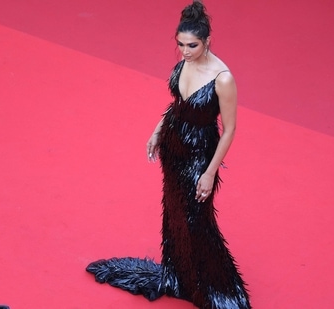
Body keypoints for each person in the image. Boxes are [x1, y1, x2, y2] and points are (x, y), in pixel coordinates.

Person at [86, 1, 252, 308]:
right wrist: (157, 131)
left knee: (197, 222)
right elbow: (178, 106)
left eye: (192, 45)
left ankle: (217, 288)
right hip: (173, 152)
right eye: (180, 45)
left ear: (207, 42)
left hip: (200, 156)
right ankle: (181, 276)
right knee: (174, 216)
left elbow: (229, 130)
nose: (185, 51)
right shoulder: (185, 64)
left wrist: (210, 171)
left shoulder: (223, 78)